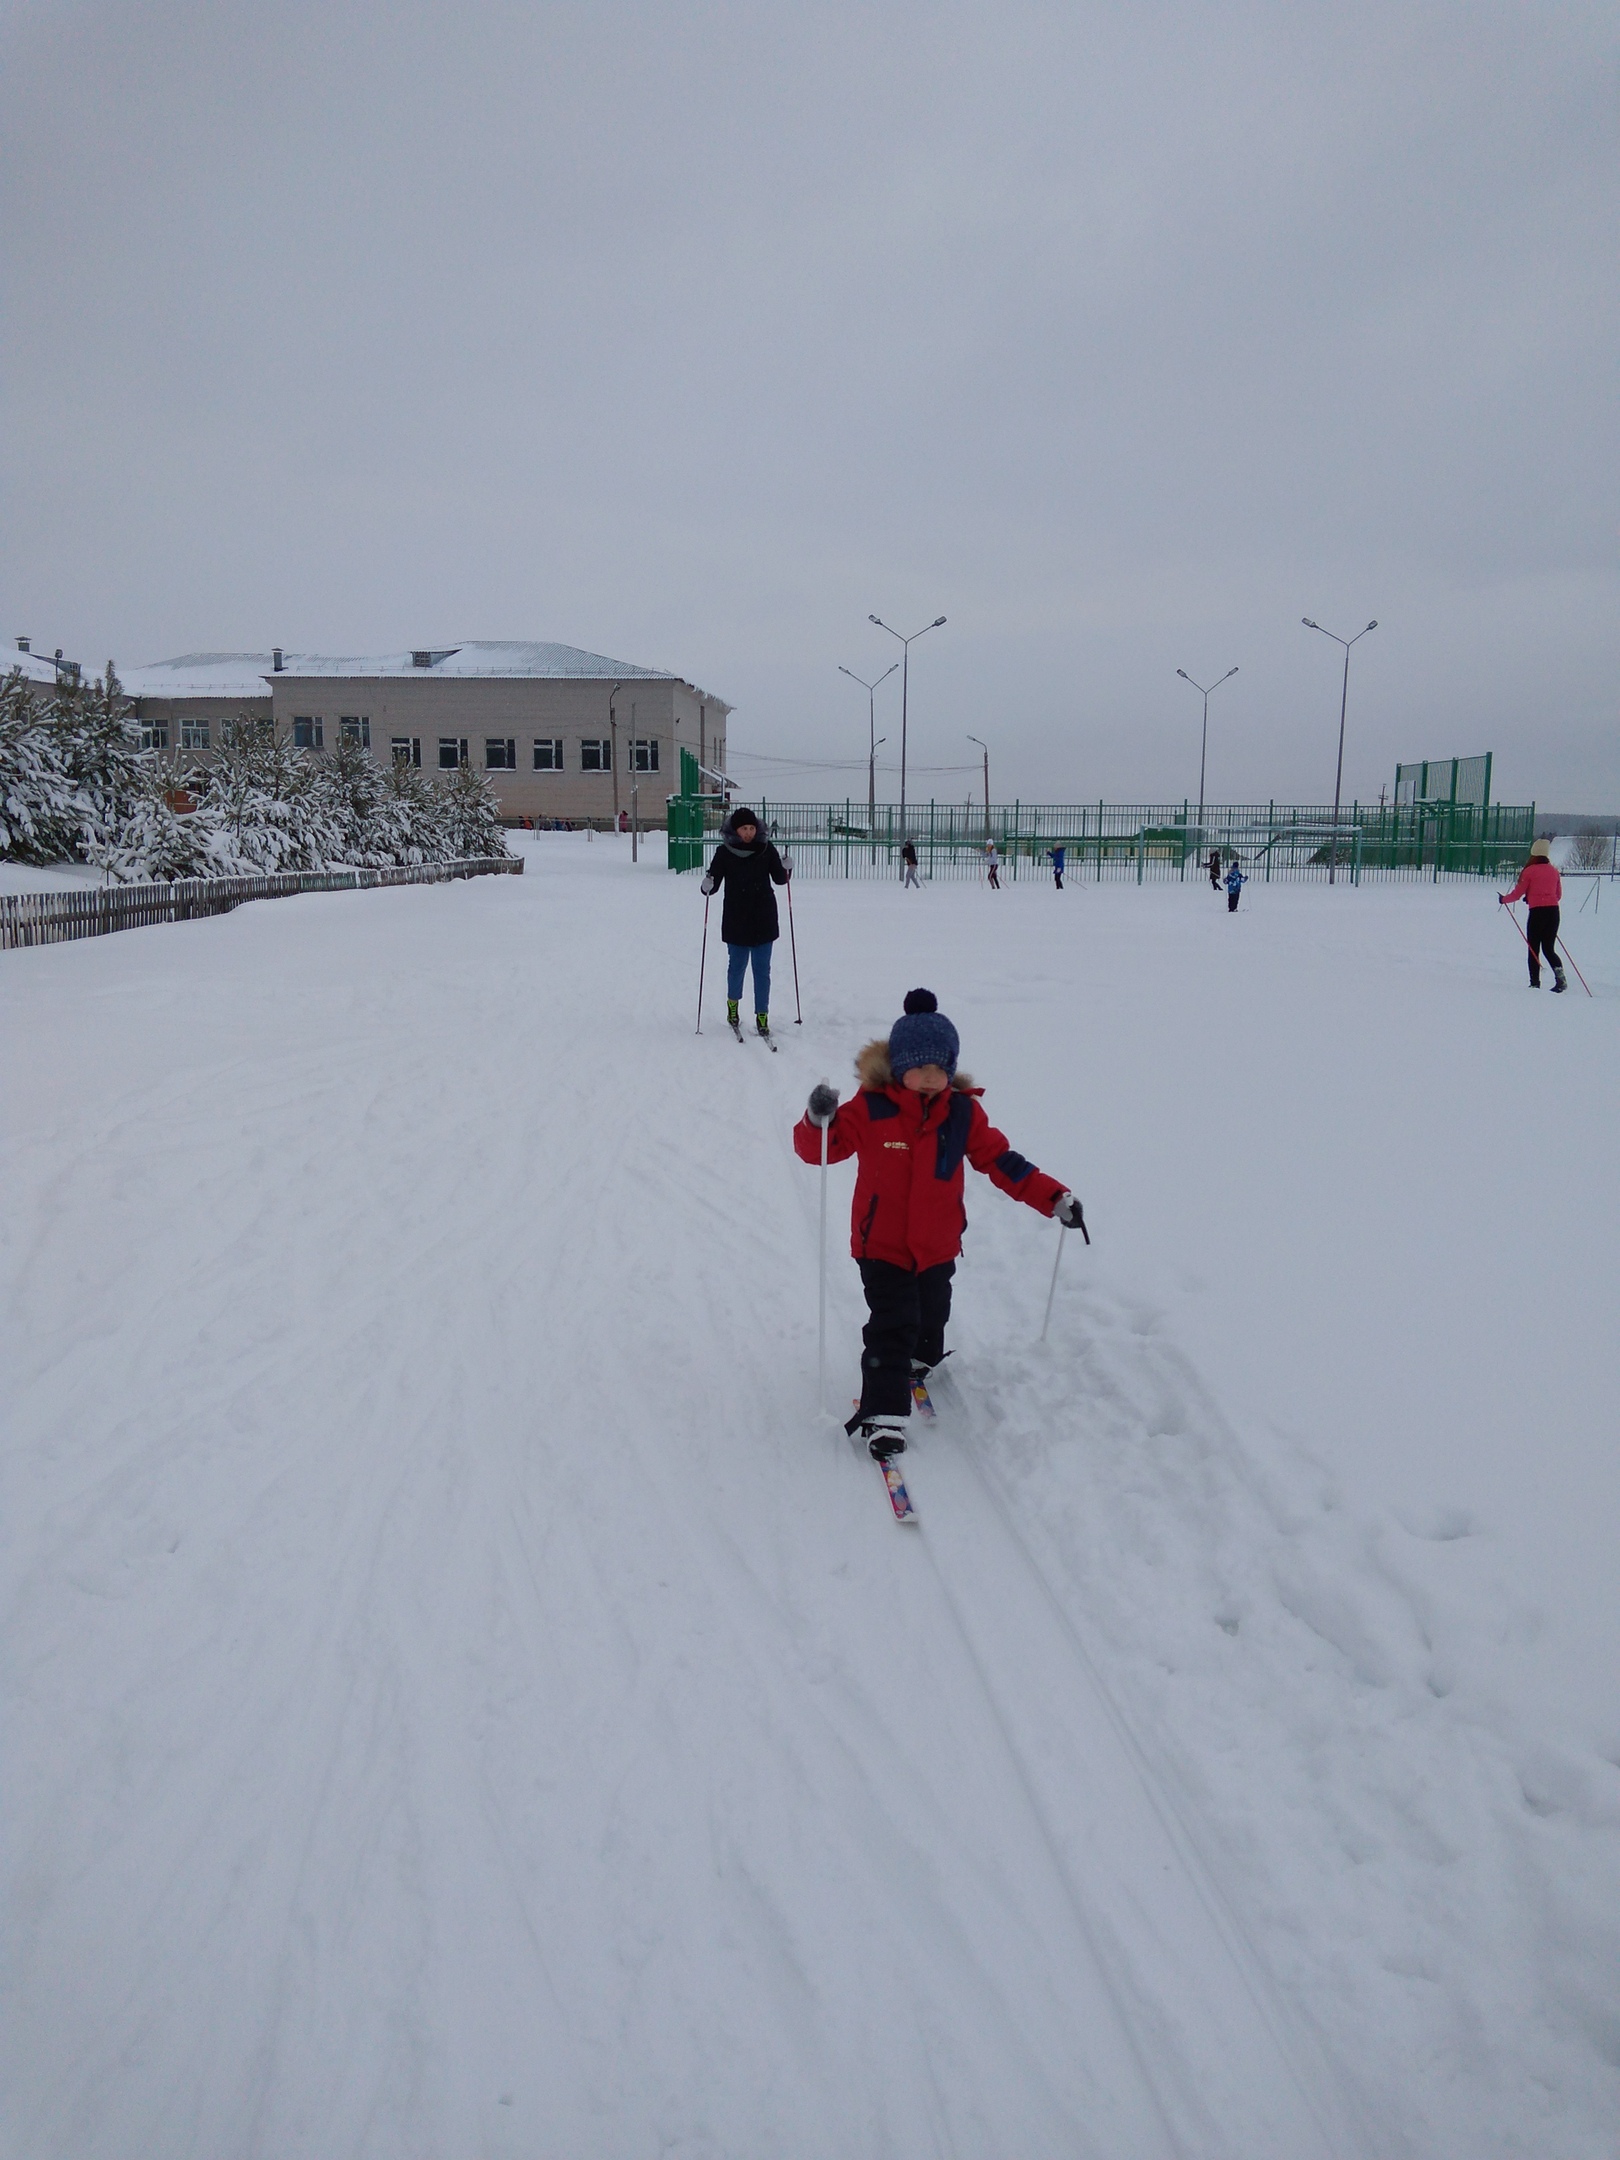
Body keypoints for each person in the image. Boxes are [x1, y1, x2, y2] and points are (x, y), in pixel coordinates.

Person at [795, 989, 1086, 1460]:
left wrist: (1053, 1197)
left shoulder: (963, 1113)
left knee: (931, 1316)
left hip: (938, 1245)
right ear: (899, 1067)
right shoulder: (869, 1109)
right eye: (920, 1069)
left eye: (940, 1070)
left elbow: (1001, 1161)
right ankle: (883, 1414)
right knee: (893, 1324)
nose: (931, 1080)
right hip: (881, 1245)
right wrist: (816, 1119)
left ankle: (920, 1360)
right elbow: (816, 1151)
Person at [701, 807, 791, 1035]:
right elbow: (713, 883)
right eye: (744, 829)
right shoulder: (724, 852)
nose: (749, 833)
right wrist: (707, 886)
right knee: (737, 967)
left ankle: (762, 1015)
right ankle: (733, 1007)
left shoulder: (766, 848)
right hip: (736, 917)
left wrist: (786, 868)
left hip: (764, 917)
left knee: (762, 970)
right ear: (735, 830)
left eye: (751, 828)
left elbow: (780, 880)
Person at [1501, 837, 1565, 991]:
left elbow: (1517, 894)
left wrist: (1504, 899)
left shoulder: (1529, 871)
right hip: (1553, 912)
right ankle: (1561, 980)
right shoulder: (1554, 871)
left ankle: (1535, 983)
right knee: (1549, 948)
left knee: (1533, 948)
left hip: (1537, 913)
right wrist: (1537, 898)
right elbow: (1558, 895)